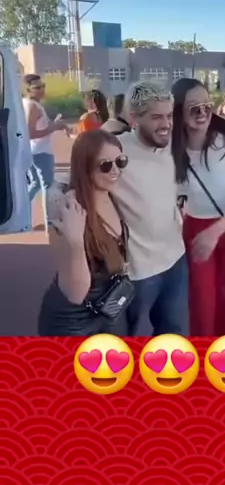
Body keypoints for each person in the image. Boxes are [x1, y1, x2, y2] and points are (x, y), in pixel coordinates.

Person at [172, 78, 225, 336]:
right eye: (193, 108)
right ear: (178, 110)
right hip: (195, 230)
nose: (202, 113)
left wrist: (215, 230)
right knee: (202, 309)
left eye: (207, 106)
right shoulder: (170, 150)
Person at [110, 82, 189, 336]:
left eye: (169, 116)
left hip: (176, 259)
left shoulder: (172, 143)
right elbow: (72, 182)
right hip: (137, 270)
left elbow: (205, 126)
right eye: (156, 117)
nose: (166, 124)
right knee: (127, 338)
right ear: (134, 118)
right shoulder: (115, 150)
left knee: (173, 333)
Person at [39, 130, 131, 335]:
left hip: (108, 307)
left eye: (120, 161)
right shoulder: (68, 210)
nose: (115, 170)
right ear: (85, 167)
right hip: (73, 320)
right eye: (105, 165)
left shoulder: (110, 195)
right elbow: (76, 294)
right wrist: (76, 243)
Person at [23, 74, 69, 228]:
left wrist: (53, 125)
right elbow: (30, 133)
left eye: (43, 86)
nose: (42, 89)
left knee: (36, 184)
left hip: (35, 151)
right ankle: (48, 221)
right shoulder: (33, 106)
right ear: (28, 90)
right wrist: (53, 127)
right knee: (47, 187)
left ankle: (22, 216)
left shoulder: (29, 104)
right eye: (37, 87)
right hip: (40, 152)